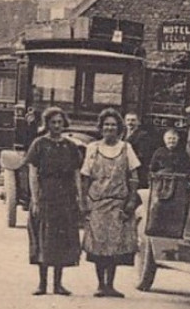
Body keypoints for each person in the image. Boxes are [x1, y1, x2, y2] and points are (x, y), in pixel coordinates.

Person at [81, 107, 142, 298]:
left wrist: (132, 200)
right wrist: (83, 202)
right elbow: (85, 176)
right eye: (106, 125)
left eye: (113, 125)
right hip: (97, 202)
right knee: (98, 245)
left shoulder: (126, 148)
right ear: (101, 127)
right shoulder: (93, 148)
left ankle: (111, 285)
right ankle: (100, 285)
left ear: (119, 128)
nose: (109, 128)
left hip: (118, 203)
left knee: (115, 245)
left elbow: (134, 176)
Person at [26, 106, 85, 296]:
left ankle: (58, 284)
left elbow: (76, 173)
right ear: (47, 124)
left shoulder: (70, 146)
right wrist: (35, 199)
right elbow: (33, 173)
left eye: (60, 122)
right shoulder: (39, 144)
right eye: (53, 122)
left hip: (65, 197)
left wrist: (79, 197)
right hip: (45, 195)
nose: (57, 126)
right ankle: (42, 284)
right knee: (44, 237)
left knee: (60, 239)